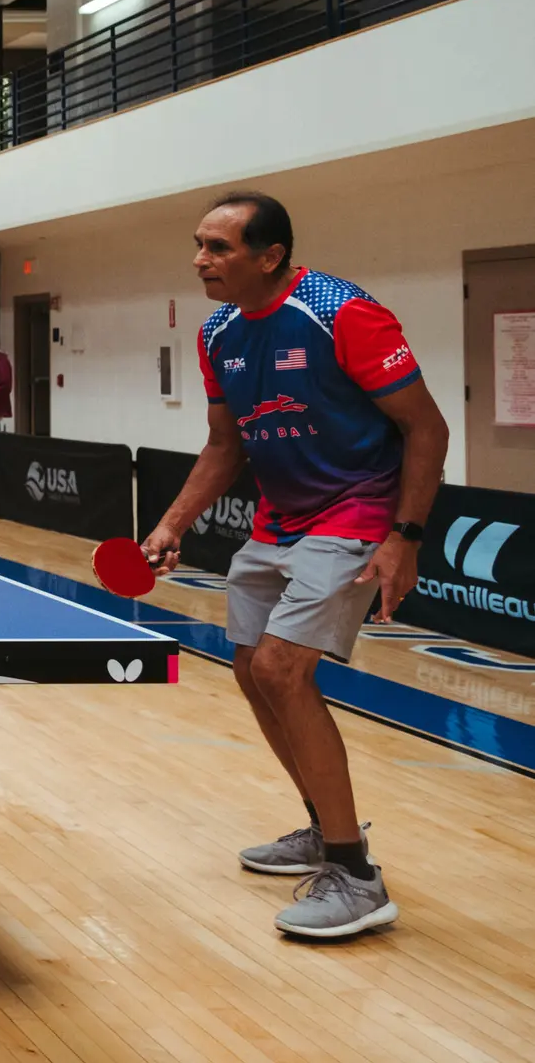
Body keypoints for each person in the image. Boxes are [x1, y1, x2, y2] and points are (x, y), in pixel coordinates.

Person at [141, 191, 447, 941]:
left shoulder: (342, 312)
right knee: (250, 670)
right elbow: (224, 445)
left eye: (218, 247)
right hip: (279, 520)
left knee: (283, 670)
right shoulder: (217, 333)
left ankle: (355, 875)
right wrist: (170, 525)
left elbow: (426, 427)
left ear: (270, 255)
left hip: (358, 512)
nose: (200, 259)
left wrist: (404, 535)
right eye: (199, 245)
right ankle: (323, 824)